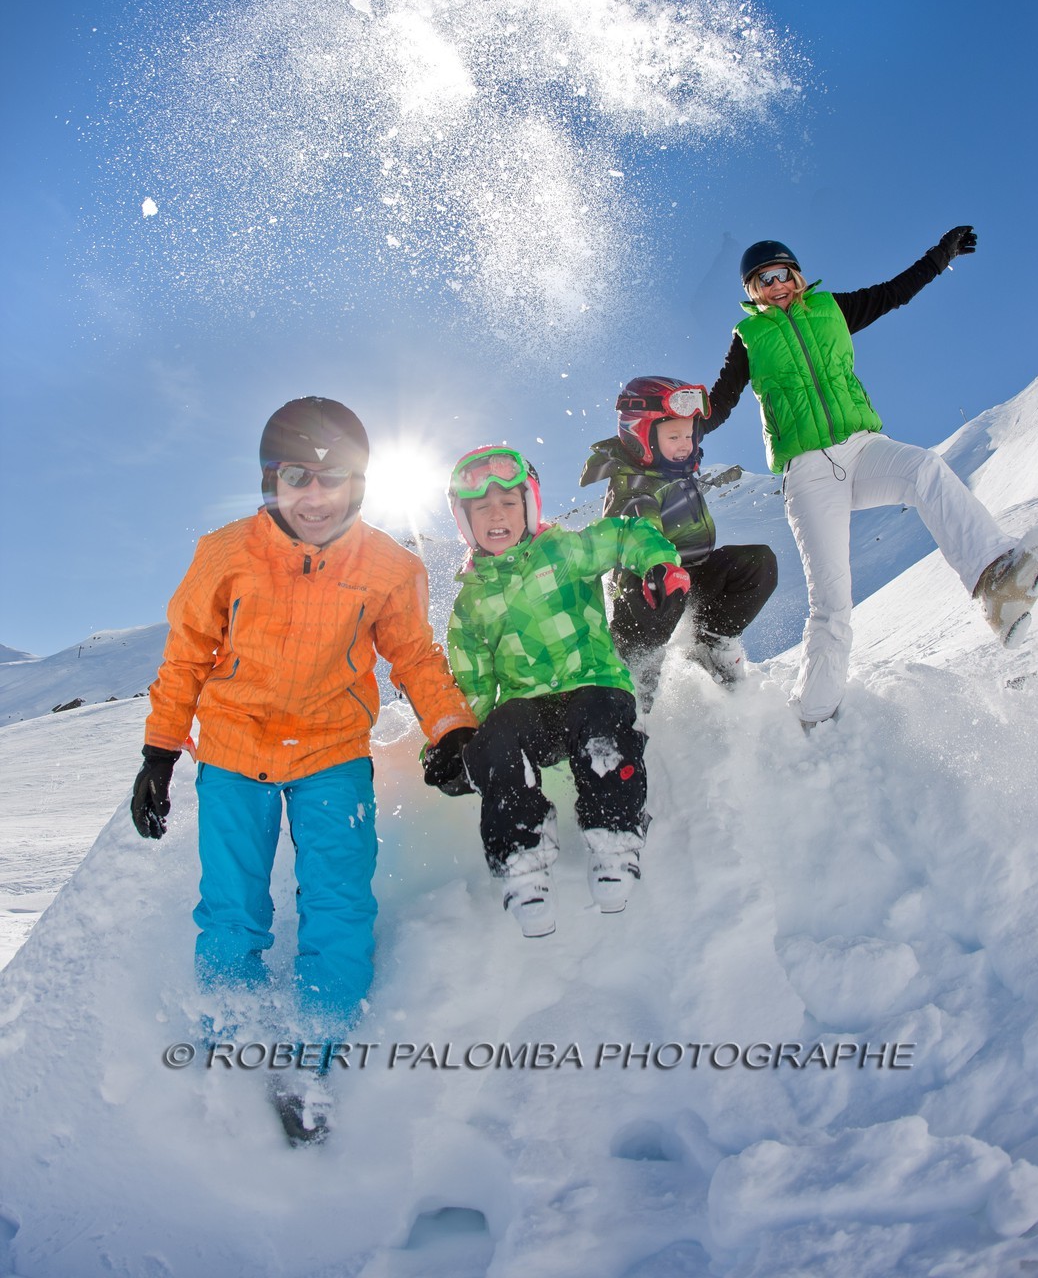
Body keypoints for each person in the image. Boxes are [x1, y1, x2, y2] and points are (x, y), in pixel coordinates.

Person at [130, 396, 476, 1143]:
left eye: (335, 479)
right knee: (231, 908)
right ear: (268, 481)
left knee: (338, 903)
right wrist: (160, 752)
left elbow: (413, 655)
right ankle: (231, 1040)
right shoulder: (225, 552)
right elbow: (186, 655)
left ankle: (309, 1056)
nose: (315, 497)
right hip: (231, 753)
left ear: (361, 483)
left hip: (330, 756)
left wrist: (449, 727)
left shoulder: (388, 564)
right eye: (296, 477)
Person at [704, 229, 1038, 728]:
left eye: (783, 273)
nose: (777, 284)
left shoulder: (832, 310)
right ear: (753, 290)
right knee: (831, 602)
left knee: (924, 470)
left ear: (797, 274)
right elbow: (721, 401)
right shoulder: (749, 338)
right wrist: (680, 421)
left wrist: (940, 256)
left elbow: (894, 292)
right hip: (807, 471)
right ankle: (813, 717)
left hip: (863, 448)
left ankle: (995, 582)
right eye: (764, 280)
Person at [423, 446, 684, 937]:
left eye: (507, 504)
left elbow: (625, 534)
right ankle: (521, 859)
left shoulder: (563, 550)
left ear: (530, 508)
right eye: (481, 509)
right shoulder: (470, 605)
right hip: (531, 713)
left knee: (601, 716)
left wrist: (658, 565)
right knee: (497, 733)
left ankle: (614, 835)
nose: (495, 515)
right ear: (464, 522)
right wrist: (454, 744)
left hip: (594, 685)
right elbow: (474, 686)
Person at [580, 376, 778, 707]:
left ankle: (710, 641)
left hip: (692, 574)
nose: (686, 442)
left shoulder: (670, 462)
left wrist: (739, 366)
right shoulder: (636, 485)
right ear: (640, 435)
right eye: (675, 436)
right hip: (644, 587)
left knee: (757, 563)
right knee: (664, 592)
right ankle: (634, 676)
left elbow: (712, 413)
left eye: (689, 434)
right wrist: (660, 569)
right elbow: (639, 534)